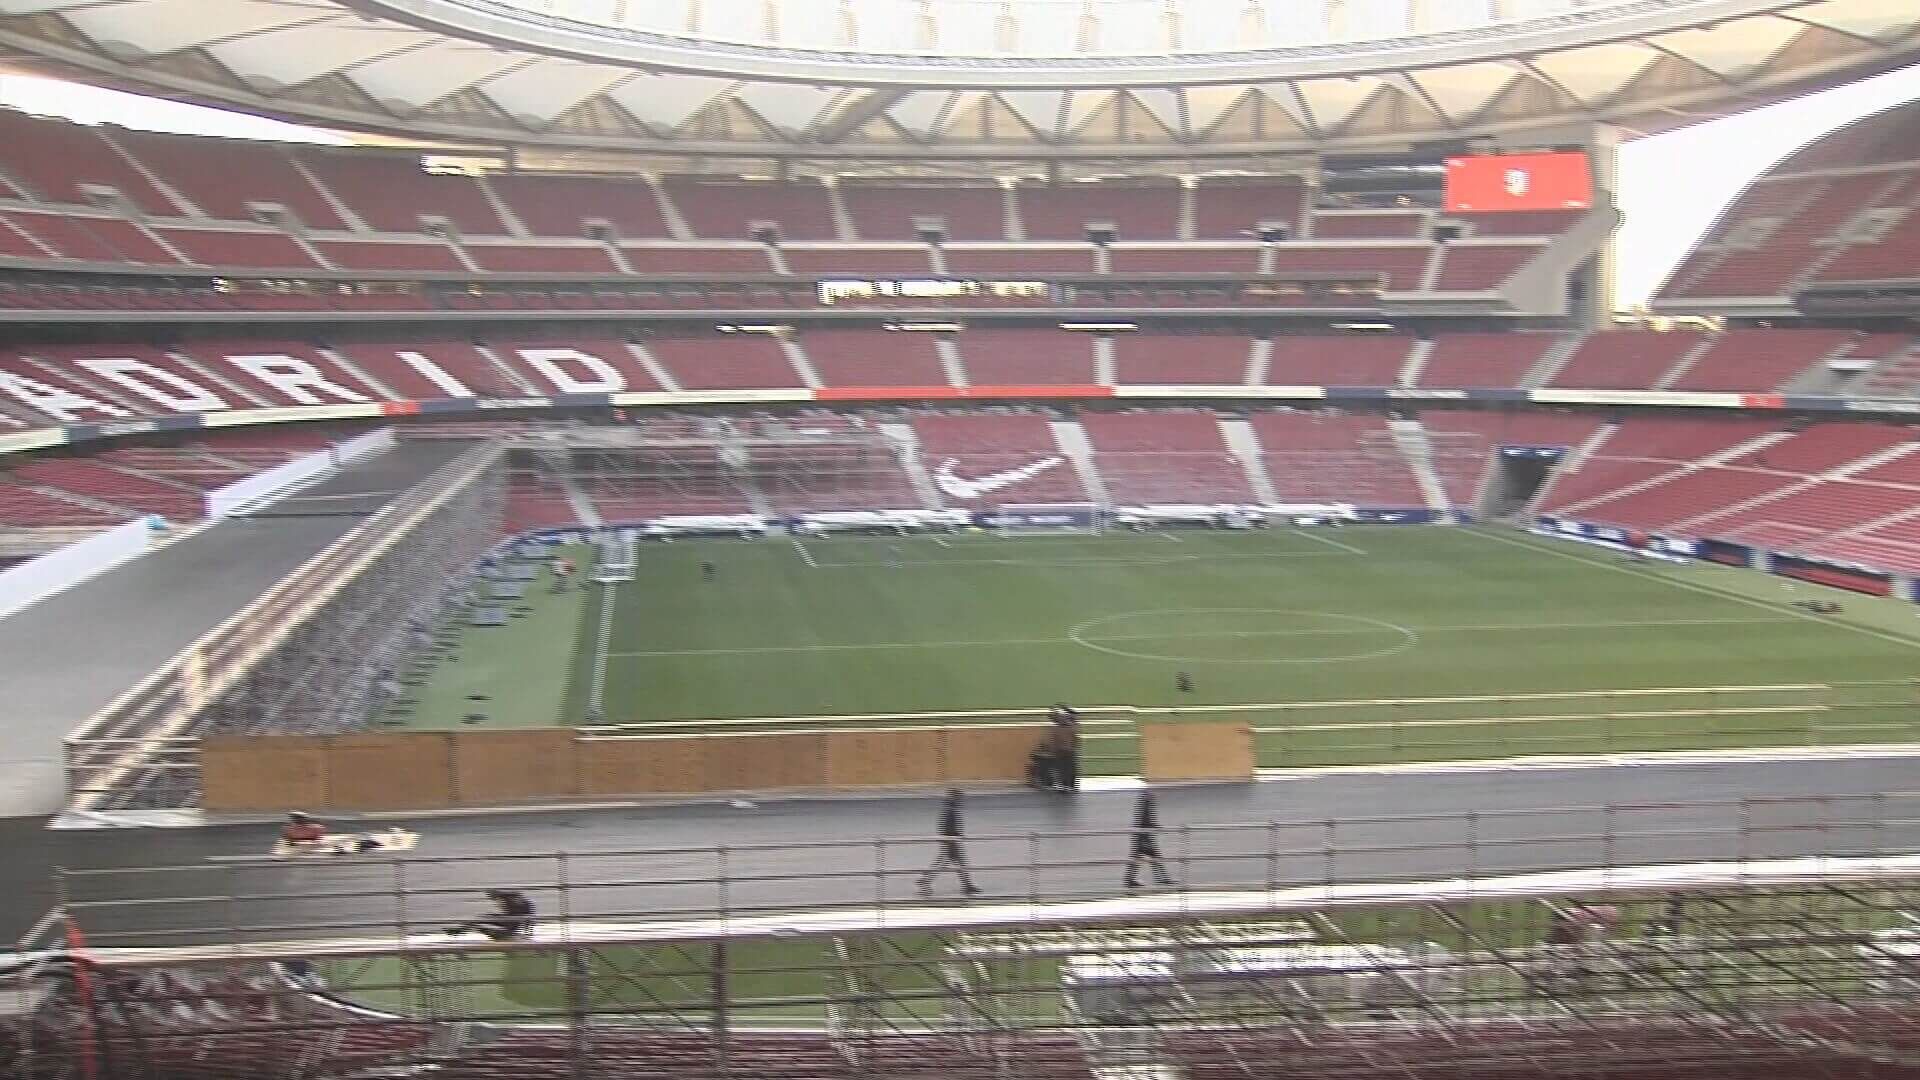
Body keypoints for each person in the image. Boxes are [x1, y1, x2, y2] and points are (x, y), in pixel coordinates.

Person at [917, 789, 980, 898]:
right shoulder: (951, 810)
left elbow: (945, 826)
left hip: (949, 840)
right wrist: (954, 838)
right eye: (960, 797)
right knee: (948, 863)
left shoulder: (949, 808)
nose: (962, 800)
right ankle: (925, 881)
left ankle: (967, 885)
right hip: (951, 841)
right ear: (955, 797)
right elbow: (949, 826)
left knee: (951, 863)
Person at [1123, 790, 1175, 892]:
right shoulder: (1147, 807)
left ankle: (1130, 881)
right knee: (1156, 858)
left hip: (1140, 837)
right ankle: (1163, 879)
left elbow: (1145, 821)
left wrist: (1155, 827)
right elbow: (1147, 821)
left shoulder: (1142, 807)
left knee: (1137, 860)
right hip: (1144, 838)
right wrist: (1157, 827)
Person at [445, 889, 536, 941]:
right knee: (481, 918)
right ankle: (458, 931)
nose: (497, 903)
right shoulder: (510, 900)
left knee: (480, 922)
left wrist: (528, 933)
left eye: (496, 900)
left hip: (510, 925)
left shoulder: (513, 901)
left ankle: (458, 931)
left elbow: (529, 919)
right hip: (508, 920)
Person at [1047, 704, 1080, 792]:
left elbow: (1053, 741)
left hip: (1061, 751)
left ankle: (1065, 785)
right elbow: (1075, 739)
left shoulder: (1056, 729)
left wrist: (1053, 750)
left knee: (1062, 769)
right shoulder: (1072, 727)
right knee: (1069, 769)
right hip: (1068, 751)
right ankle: (1069, 785)